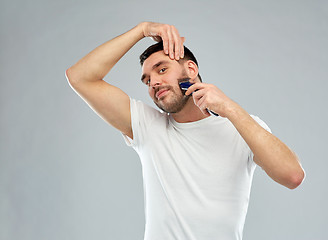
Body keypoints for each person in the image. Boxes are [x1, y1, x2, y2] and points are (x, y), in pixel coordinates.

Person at [65, 21, 305, 240]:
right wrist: (142, 30)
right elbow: (80, 77)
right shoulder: (148, 127)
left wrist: (229, 108)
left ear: (190, 70)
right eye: (147, 81)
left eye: (161, 70)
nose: (154, 83)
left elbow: (292, 176)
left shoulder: (241, 127)